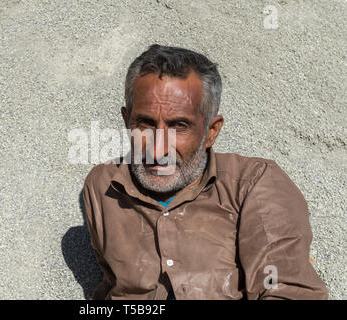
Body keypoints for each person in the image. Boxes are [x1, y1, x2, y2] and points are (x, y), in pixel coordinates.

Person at [82, 44, 328, 300]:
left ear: (212, 131)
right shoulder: (103, 186)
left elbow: (287, 291)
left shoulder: (254, 183)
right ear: (126, 121)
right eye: (145, 124)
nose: (157, 151)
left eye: (179, 126)